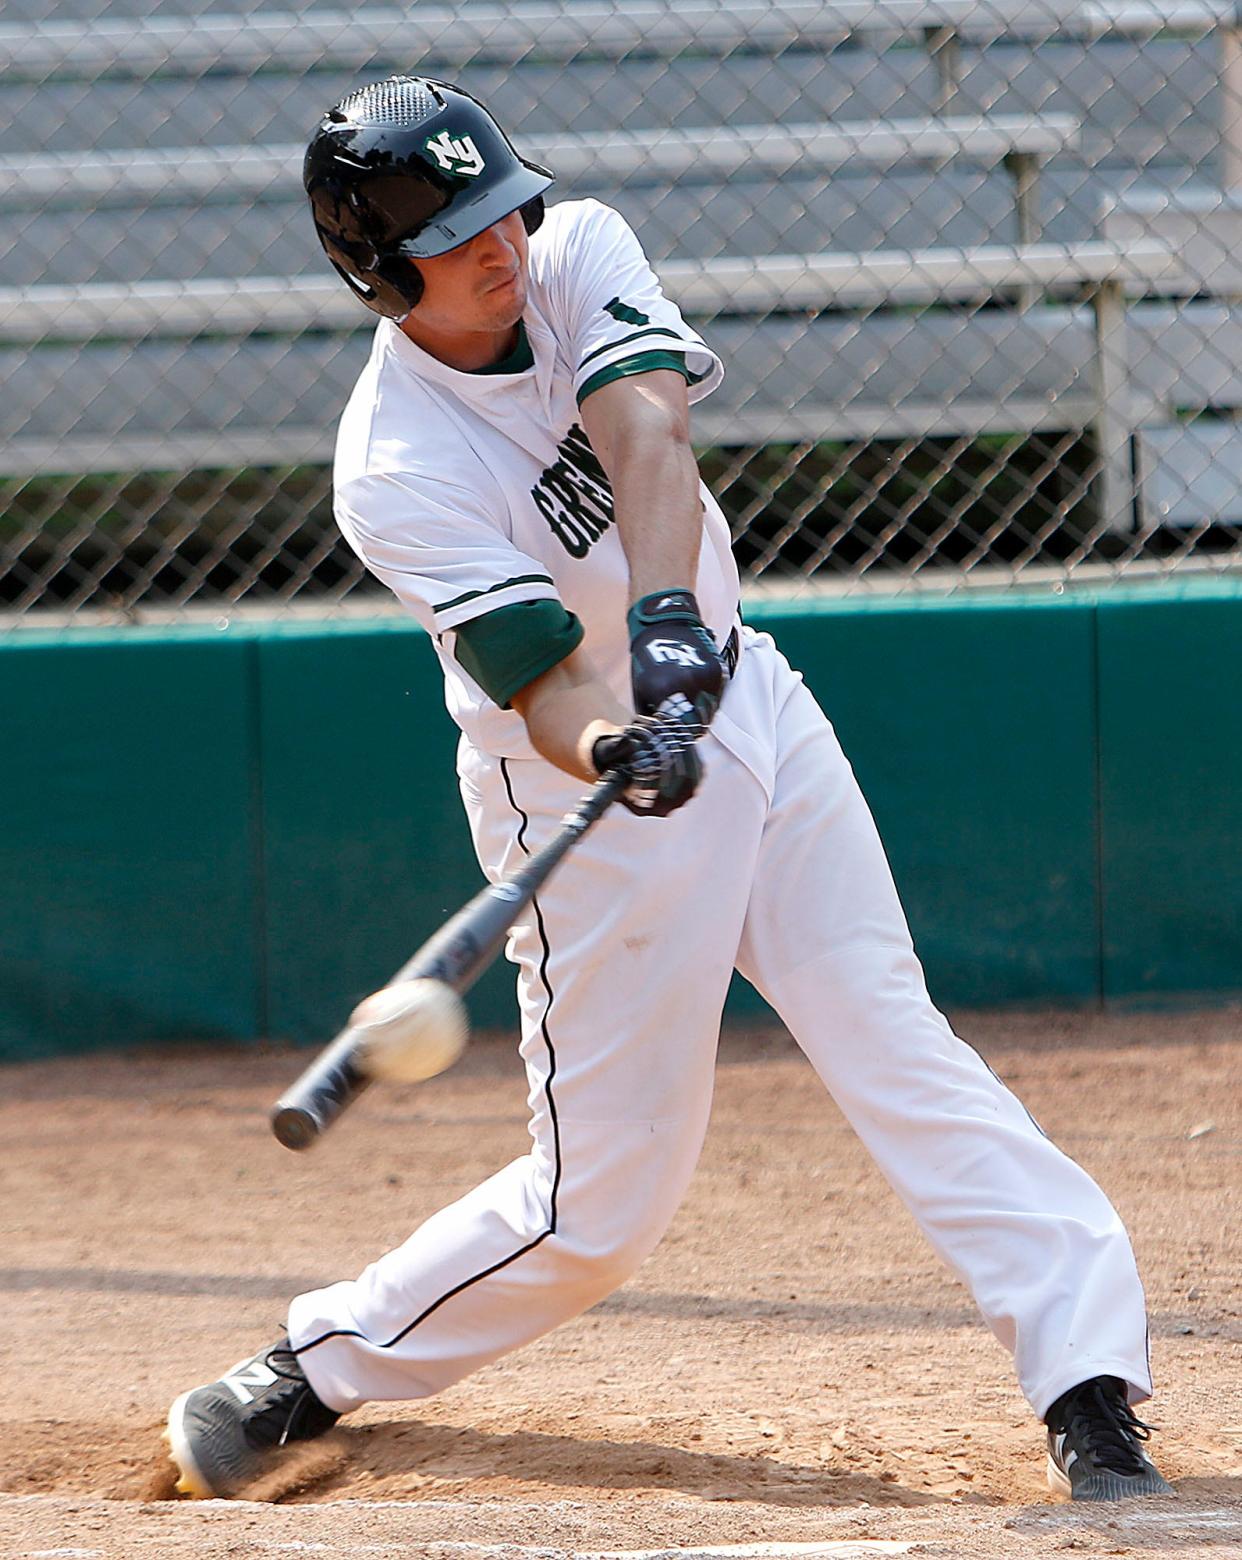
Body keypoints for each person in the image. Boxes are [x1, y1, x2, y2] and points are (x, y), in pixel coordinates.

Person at [165, 75, 1172, 1505]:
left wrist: (669, 629)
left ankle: (1086, 1385)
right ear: (380, 276)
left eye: (503, 211)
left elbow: (644, 429)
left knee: (891, 1037)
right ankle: (308, 1369)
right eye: (459, 239)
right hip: (583, 789)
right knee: (600, 1207)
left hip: (739, 689)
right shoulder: (395, 465)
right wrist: (612, 744)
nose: (503, 247)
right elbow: (542, 685)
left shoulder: (575, 247)